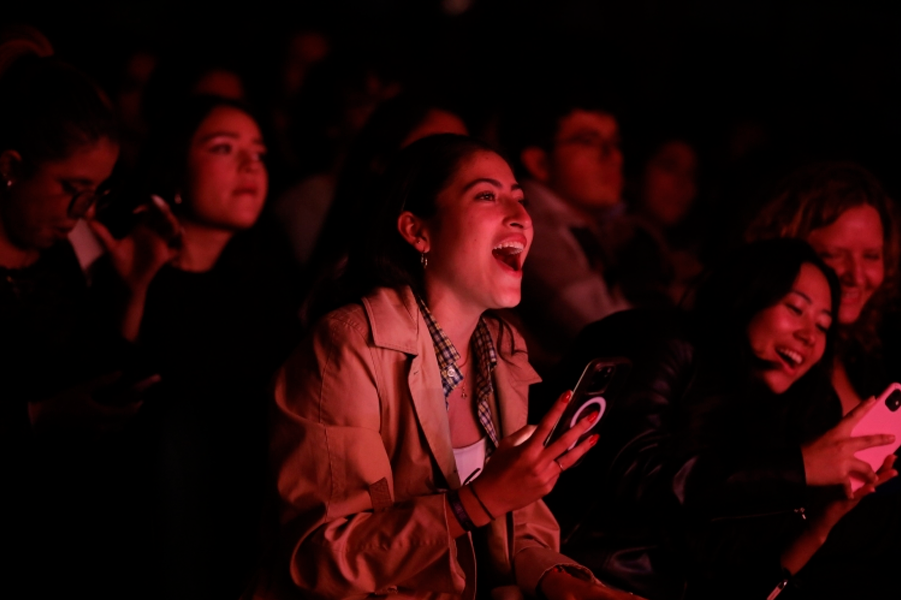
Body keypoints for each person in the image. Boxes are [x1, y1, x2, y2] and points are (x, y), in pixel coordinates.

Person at [262, 134, 636, 600]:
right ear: (417, 231)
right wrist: (477, 501)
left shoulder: (501, 350)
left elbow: (520, 535)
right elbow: (322, 559)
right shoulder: (347, 347)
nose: (521, 216)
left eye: (520, 199)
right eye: (486, 196)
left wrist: (569, 585)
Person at [543, 239, 897, 599]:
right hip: (579, 577)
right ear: (750, 294)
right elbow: (638, 469)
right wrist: (800, 466)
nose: (808, 336)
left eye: (823, 326)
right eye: (795, 308)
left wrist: (821, 525)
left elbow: (732, 586)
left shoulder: (772, 417)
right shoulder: (662, 341)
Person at [126, 95, 303, 599]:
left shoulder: (269, 280)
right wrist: (135, 285)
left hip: (256, 514)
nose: (251, 164)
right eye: (224, 148)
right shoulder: (131, 271)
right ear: (176, 166)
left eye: (260, 152)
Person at [746, 162, 901, 413]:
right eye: (833, 255)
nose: (857, 276)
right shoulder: (760, 352)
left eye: (872, 256)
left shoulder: (865, 355)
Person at [503, 93, 631, 369]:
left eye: (615, 143)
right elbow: (608, 332)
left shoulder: (594, 228)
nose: (613, 157)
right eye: (588, 141)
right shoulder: (527, 223)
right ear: (539, 162)